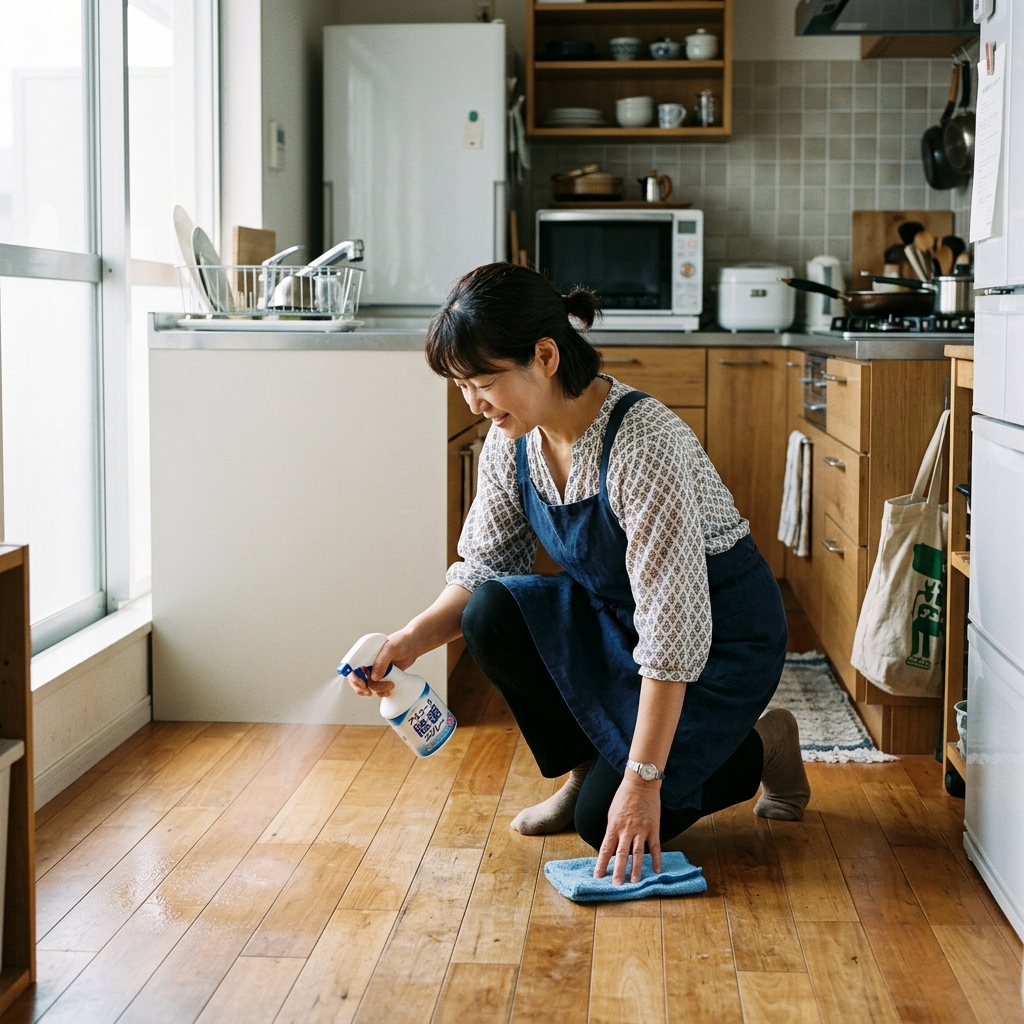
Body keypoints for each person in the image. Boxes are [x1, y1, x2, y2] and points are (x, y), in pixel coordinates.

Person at [347, 262, 809, 885]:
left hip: (717, 639)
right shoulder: (513, 440)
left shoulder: (643, 443)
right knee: (492, 611)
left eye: (483, 381)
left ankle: (766, 744)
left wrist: (643, 782)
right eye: (461, 386)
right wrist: (409, 643)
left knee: (606, 825)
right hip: (621, 616)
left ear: (544, 355)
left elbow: (674, 631)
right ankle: (590, 771)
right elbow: (483, 570)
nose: (475, 404)